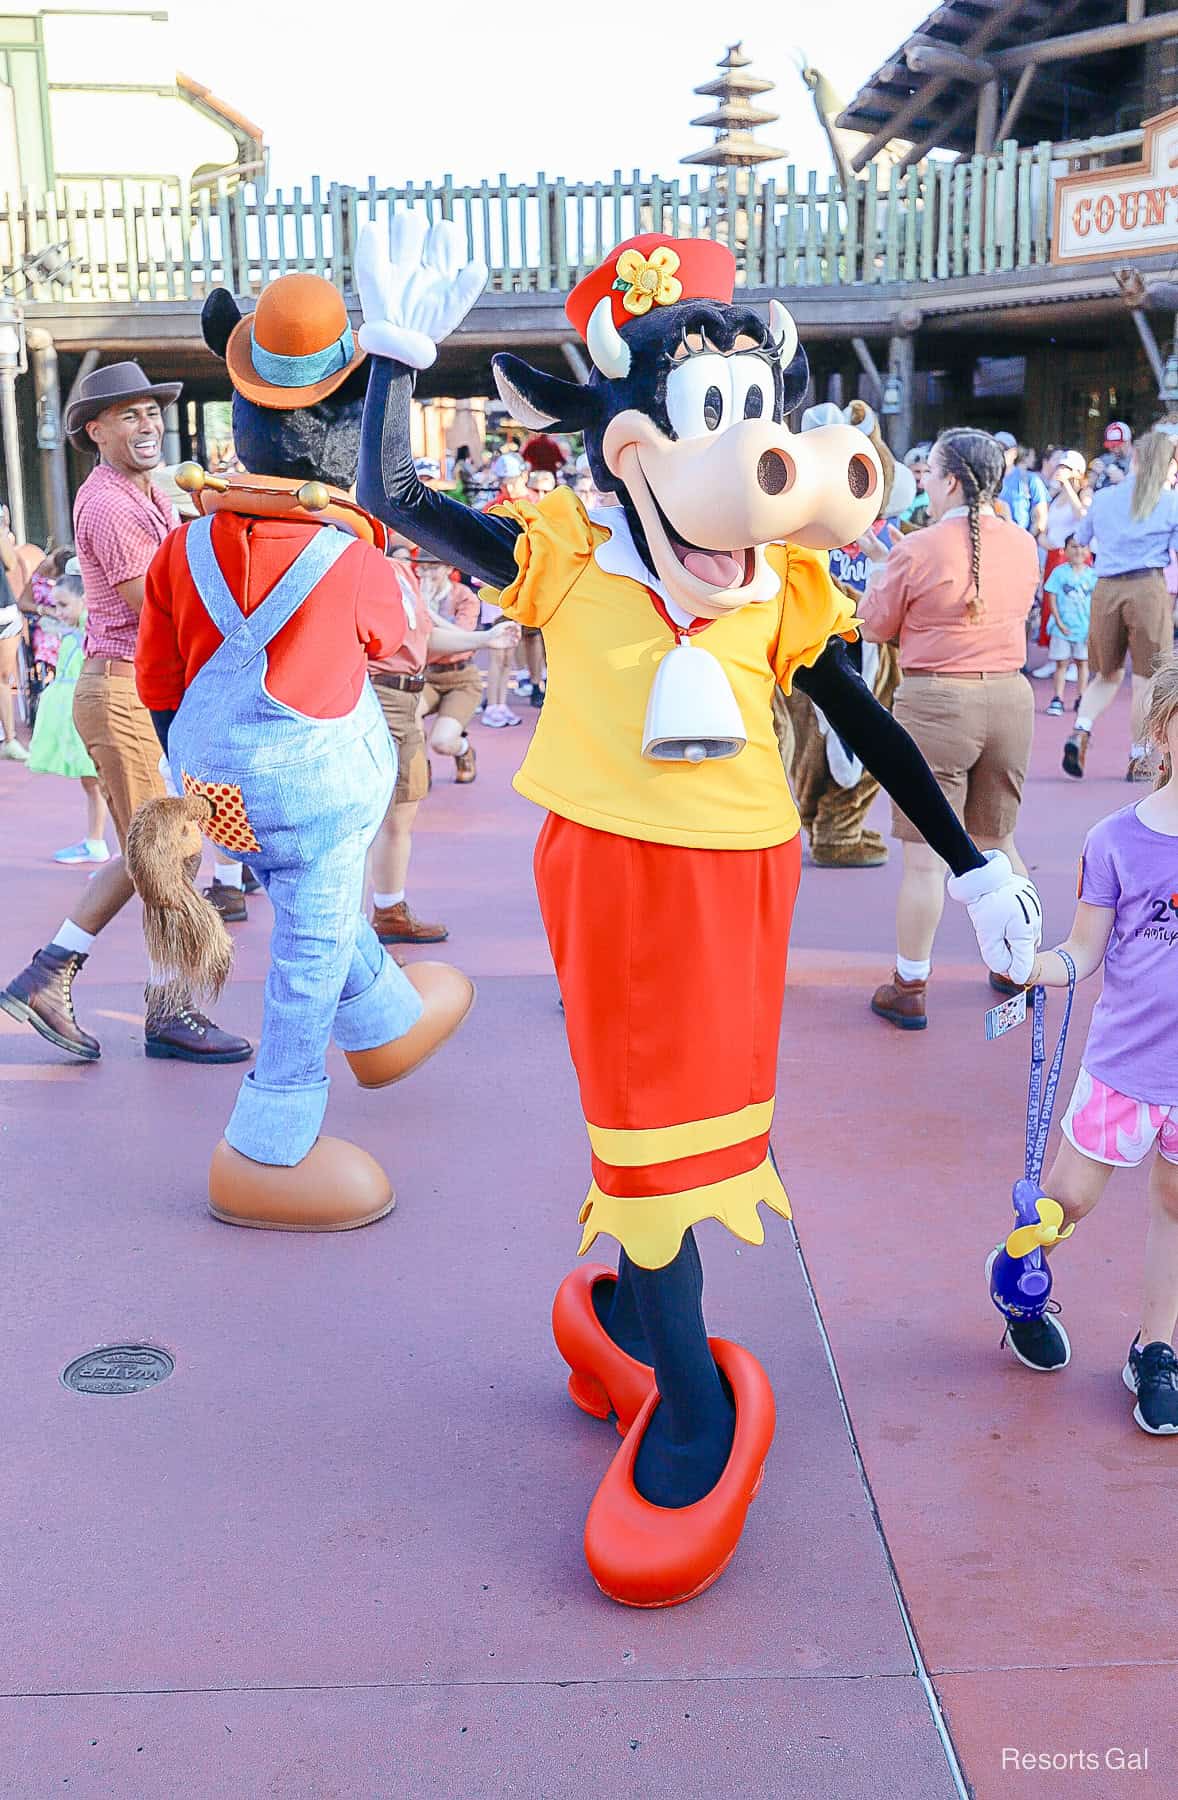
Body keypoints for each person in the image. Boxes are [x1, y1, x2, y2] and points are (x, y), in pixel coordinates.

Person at [0, 362, 250, 1066]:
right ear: (94, 429)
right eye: (130, 415)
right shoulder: (109, 504)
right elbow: (157, 607)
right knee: (166, 855)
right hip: (123, 691)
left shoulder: (146, 491)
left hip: (141, 692)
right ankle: (160, 1009)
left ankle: (53, 973)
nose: (147, 425)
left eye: (151, 413)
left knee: (162, 850)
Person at [994, 659, 1178, 1433]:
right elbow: (1083, 948)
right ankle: (1018, 1279)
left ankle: (1157, 1349)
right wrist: (1040, 966)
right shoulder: (1116, 841)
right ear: (1162, 729)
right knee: (1067, 1202)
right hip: (1123, 1071)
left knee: (1175, 1204)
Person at [860, 428, 1040, 1030]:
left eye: (930, 476)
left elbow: (877, 625)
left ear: (952, 480)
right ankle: (1018, 961)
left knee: (923, 859)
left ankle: (911, 983)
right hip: (1010, 698)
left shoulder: (917, 548)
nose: (924, 486)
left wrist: (880, 573)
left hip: (936, 700)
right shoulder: (1023, 544)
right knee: (1000, 839)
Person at [368, 554, 520, 944]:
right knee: (366, 818)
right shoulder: (369, 564)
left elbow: (428, 640)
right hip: (386, 691)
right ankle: (356, 926)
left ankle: (388, 909)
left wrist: (485, 638)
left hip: (437, 684)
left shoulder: (418, 583)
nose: (427, 567)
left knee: (404, 804)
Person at [1064, 429, 1178, 782]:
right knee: (1146, 679)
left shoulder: (1104, 498)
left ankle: (1081, 728)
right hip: (1147, 587)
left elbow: (1081, 540)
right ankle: (1138, 754)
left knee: (1106, 674)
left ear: (1135, 458)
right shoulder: (1171, 503)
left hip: (1106, 588)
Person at [25, 572, 110, 862]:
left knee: (98, 781)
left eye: (64, 605)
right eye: (56, 606)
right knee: (90, 782)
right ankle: (94, 839)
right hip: (69, 714)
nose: (58, 612)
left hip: (83, 712)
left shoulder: (89, 626)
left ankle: (101, 842)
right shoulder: (70, 629)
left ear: (85, 602)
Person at [417, 560, 486, 783]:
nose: (427, 574)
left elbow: (464, 638)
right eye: (422, 568)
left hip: (461, 678)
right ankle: (418, 769)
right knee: (408, 715)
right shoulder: (413, 592)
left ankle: (463, 750)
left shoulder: (464, 596)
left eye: (433, 567)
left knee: (442, 742)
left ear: (447, 568)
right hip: (427, 675)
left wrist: (427, 613)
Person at [1042, 537, 1094, 717]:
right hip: (1062, 629)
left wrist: (1092, 629)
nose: (1078, 551)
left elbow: (1097, 603)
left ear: (1088, 550)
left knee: (1082, 663)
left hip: (1084, 630)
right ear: (1065, 549)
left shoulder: (1092, 575)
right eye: (1073, 547)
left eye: (1082, 547)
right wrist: (1059, 622)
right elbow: (1053, 598)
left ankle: (1082, 697)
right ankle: (1057, 698)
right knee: (1061, 663)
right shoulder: (1059, 573)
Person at [996, 433, 1048, 540]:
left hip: (1019, 542)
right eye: (995, 448)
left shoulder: (1030, 479)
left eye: (1004, 449)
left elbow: (1041, 518)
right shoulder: (985, 481)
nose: (999, 453)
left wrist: (1026, 541)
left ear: (1014, 453)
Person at [1091, 420, 1133, 490]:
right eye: (1111, 446)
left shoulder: (1139, 463)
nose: (1115, 450)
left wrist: (1123, 481)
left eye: (1118, 445)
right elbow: (1090, 488)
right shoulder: (1104, 460)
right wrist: (1093, 477)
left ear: (1128, 441)